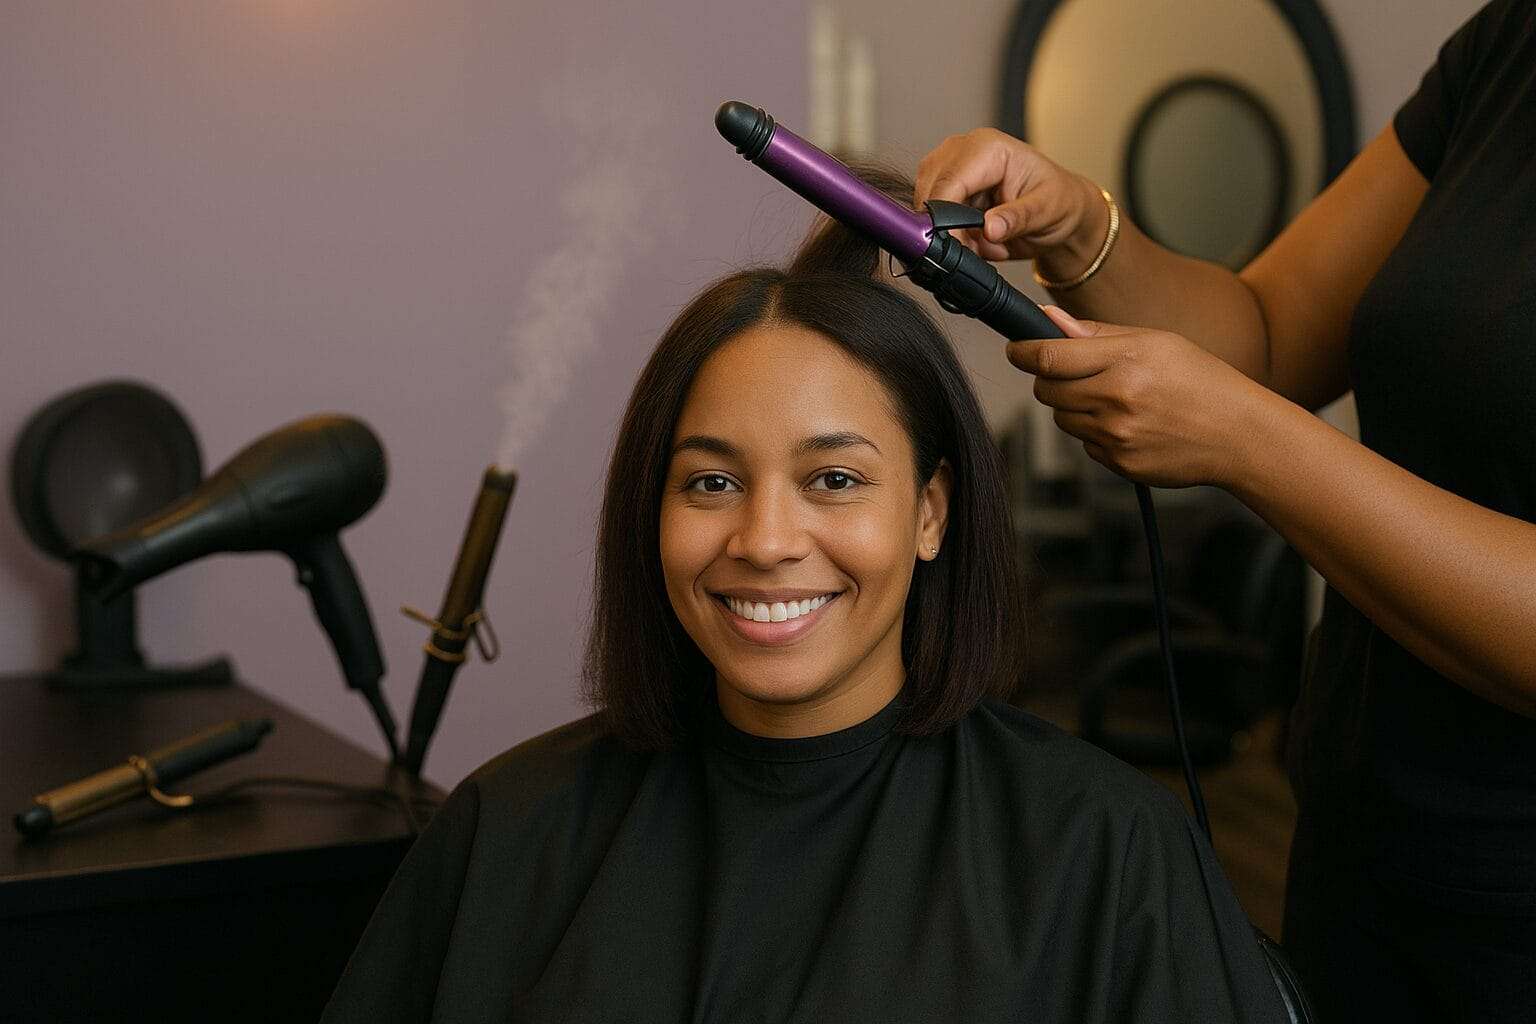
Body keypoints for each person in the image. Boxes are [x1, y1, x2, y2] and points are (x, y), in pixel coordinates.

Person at [321, 205, 1290, 1022]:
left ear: (931, 510)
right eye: (710, 481)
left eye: (833, 478)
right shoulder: (508, 830)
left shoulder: (1100, 848)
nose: (766, 537)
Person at [912, 1, 1536, 1019]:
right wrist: (1078, 224)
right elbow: (1267, 327)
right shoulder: (1509, 46)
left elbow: (1250, 404)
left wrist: (1246, 442)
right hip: (1361, 836)